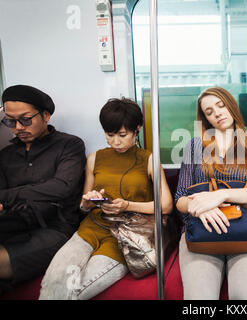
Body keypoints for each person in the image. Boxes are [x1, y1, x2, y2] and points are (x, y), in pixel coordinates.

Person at [39, 98, 173, 300]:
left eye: (122, 135)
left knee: (74, 290)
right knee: (54, 280)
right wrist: (88, 201)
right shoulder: (95, 158)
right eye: (110, 135)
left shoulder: (149, 160)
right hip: (90, 229)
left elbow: (166, 205)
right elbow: (83, 206)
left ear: (137, 129)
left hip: (124, 237)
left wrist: (127, 205)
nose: (115, 142)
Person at [175, 87, 247, 300]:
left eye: (221, 106)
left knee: (246, 299)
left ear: (231, 106)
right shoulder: (193, 147)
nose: (218, 113)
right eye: (209, 111)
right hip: (202, 232)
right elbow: (180, 199)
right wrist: (199, 209)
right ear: (206, 119)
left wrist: (220, 196)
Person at [0, 85, 86, 294]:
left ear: (45, 115)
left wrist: (7, 196)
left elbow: (61, 188)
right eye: (10, 121)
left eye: (25, 119)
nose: (18, 127)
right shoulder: (6, 155)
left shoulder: (69, 145)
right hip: (13, 222)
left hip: (54, 228)